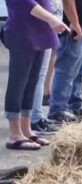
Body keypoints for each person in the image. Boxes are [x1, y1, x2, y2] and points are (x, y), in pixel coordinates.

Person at [2, 0, 68, 151]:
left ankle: (26, 129)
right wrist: (51, 19)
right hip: (23, 30)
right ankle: (14, 133)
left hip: (39, 29)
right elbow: (25, 3)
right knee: (18, 82)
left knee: (31, 83)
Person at [47, 0, 82, 124]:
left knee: (80, 67)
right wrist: (74, 22)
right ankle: (58, 108)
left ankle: (75, 104)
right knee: (67, 68)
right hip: (74, 25)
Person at [30, 0, 63, 135]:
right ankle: (35, 118)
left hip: (46, 24)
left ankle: (35, 117)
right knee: (37, 76)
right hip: (40, 26)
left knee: (39, 76)